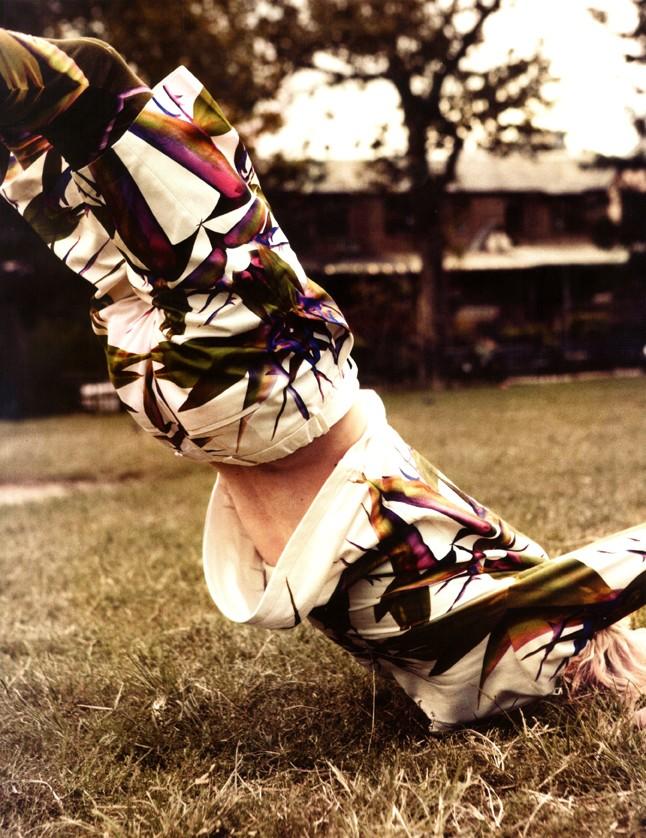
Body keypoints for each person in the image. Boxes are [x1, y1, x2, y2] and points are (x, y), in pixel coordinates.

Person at [1, 29, 644, 732]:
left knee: (97, 87)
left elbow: (611, 571)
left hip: (270, 389)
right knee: (75, 160)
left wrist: (591, 622)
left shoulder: (523, 643)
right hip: (177, 401)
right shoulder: (448, 684)